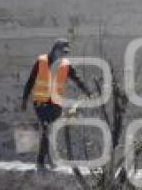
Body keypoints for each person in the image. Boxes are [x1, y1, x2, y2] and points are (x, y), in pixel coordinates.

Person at [21, 39, 90, 170]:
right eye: (61, 52)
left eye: (65, 53)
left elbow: (77, 79)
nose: (62, 55)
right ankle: (42, 161)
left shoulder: (66, 65)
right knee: (46, 128)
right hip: (41, 102)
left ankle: (47, 159)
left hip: (56, 103)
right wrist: (24, 99)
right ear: (54, 50)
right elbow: (31, 81)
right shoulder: (41, 61)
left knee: (50, 131)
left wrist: (88, 91)